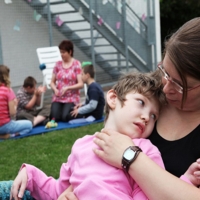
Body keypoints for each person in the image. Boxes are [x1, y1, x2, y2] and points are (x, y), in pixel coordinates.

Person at [10, 72, 195, 200]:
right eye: (141, 103)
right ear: (113, 98)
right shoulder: (81, 146)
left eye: (154, 115)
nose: (147, 117)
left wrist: (185, 181)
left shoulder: (145, 151)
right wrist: (31, 174)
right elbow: (58, 191)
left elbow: (152, 192)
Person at [89, 17, 200, 200]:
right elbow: (105, 146)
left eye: (180, 85)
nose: (165, 88)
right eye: (164, 72)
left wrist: (130, 157)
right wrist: (75, 187)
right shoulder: (150, 91)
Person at [50, 40, 84, 122]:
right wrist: (55, 89)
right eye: (60, 52)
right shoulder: (57, 64)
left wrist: (68, 88)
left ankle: (83, 112)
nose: (61, 54)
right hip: (59, 97)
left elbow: (81, 84)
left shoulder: (76, 64)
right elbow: (52, 82)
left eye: (63, 52)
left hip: (71, 97)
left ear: (70, 52)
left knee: (65, 117)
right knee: (54, 117)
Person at [0, 65, 32, 139]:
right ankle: (10, 136)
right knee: (29, 125)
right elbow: (12, 113)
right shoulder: (8, 90)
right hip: (5, 126)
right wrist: (15, 105)